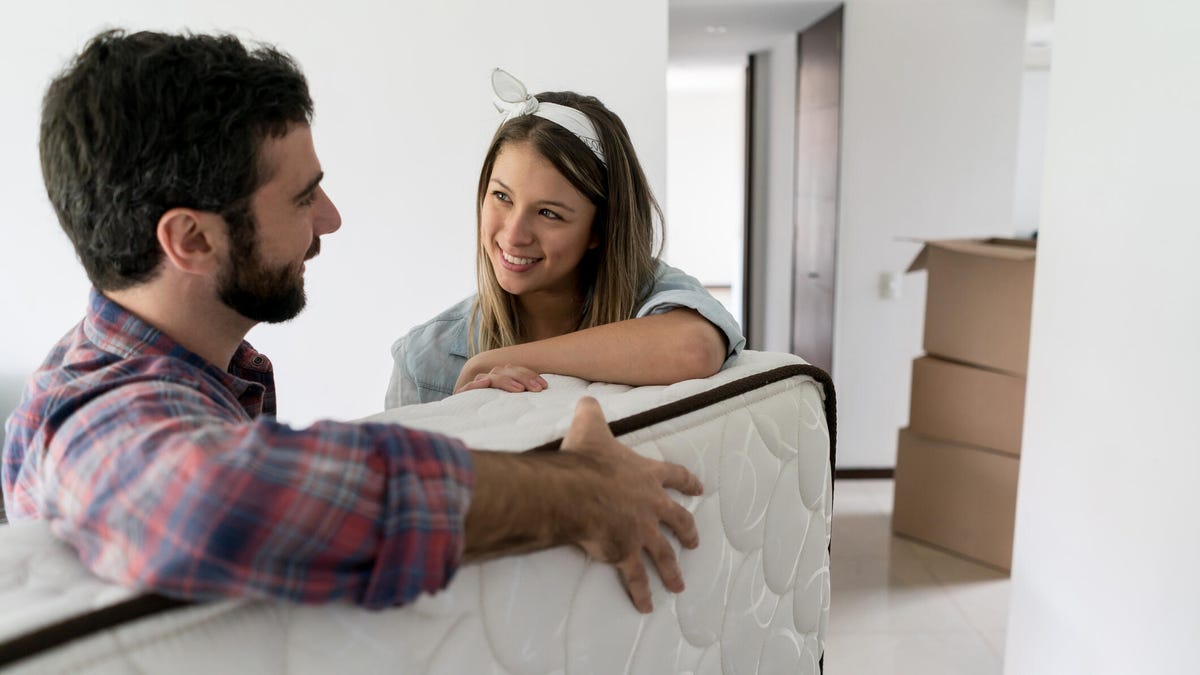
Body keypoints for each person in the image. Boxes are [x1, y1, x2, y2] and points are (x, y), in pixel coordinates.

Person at [0, 30, 701, 615]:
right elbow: (213, 501)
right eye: (303, 197)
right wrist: (578, 493)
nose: (331, 218)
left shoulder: (206, 374)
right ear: (192, 239)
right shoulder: (91, 410)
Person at [385, 69, 745, 407]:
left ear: (599, 230)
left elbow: (694, 349)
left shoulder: (653, 297)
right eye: (501, 197)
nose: (513, 234)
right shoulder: (423, 360)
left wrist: (494, 361)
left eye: (548, 213)